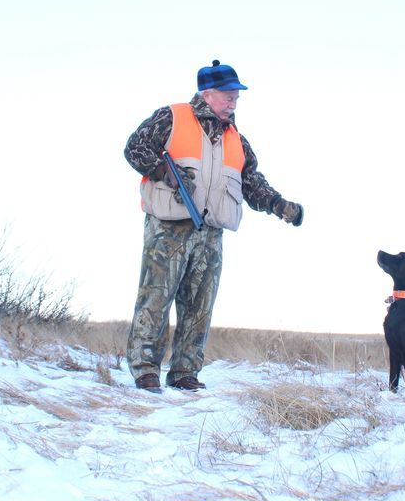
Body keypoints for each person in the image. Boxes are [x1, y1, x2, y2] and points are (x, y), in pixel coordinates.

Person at [124, 60, 304, 392]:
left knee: (200, 305)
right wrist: (165, 173)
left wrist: (280, 206)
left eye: (236, 96)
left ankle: (184, 373)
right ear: (207, 95)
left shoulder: (237, 140)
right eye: (228, 96)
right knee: (156, 297)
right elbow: (134, 148)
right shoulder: (171, 117)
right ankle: (145, 369)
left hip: (211, 233)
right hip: (169, 227)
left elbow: (252, 184)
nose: (234, 102)